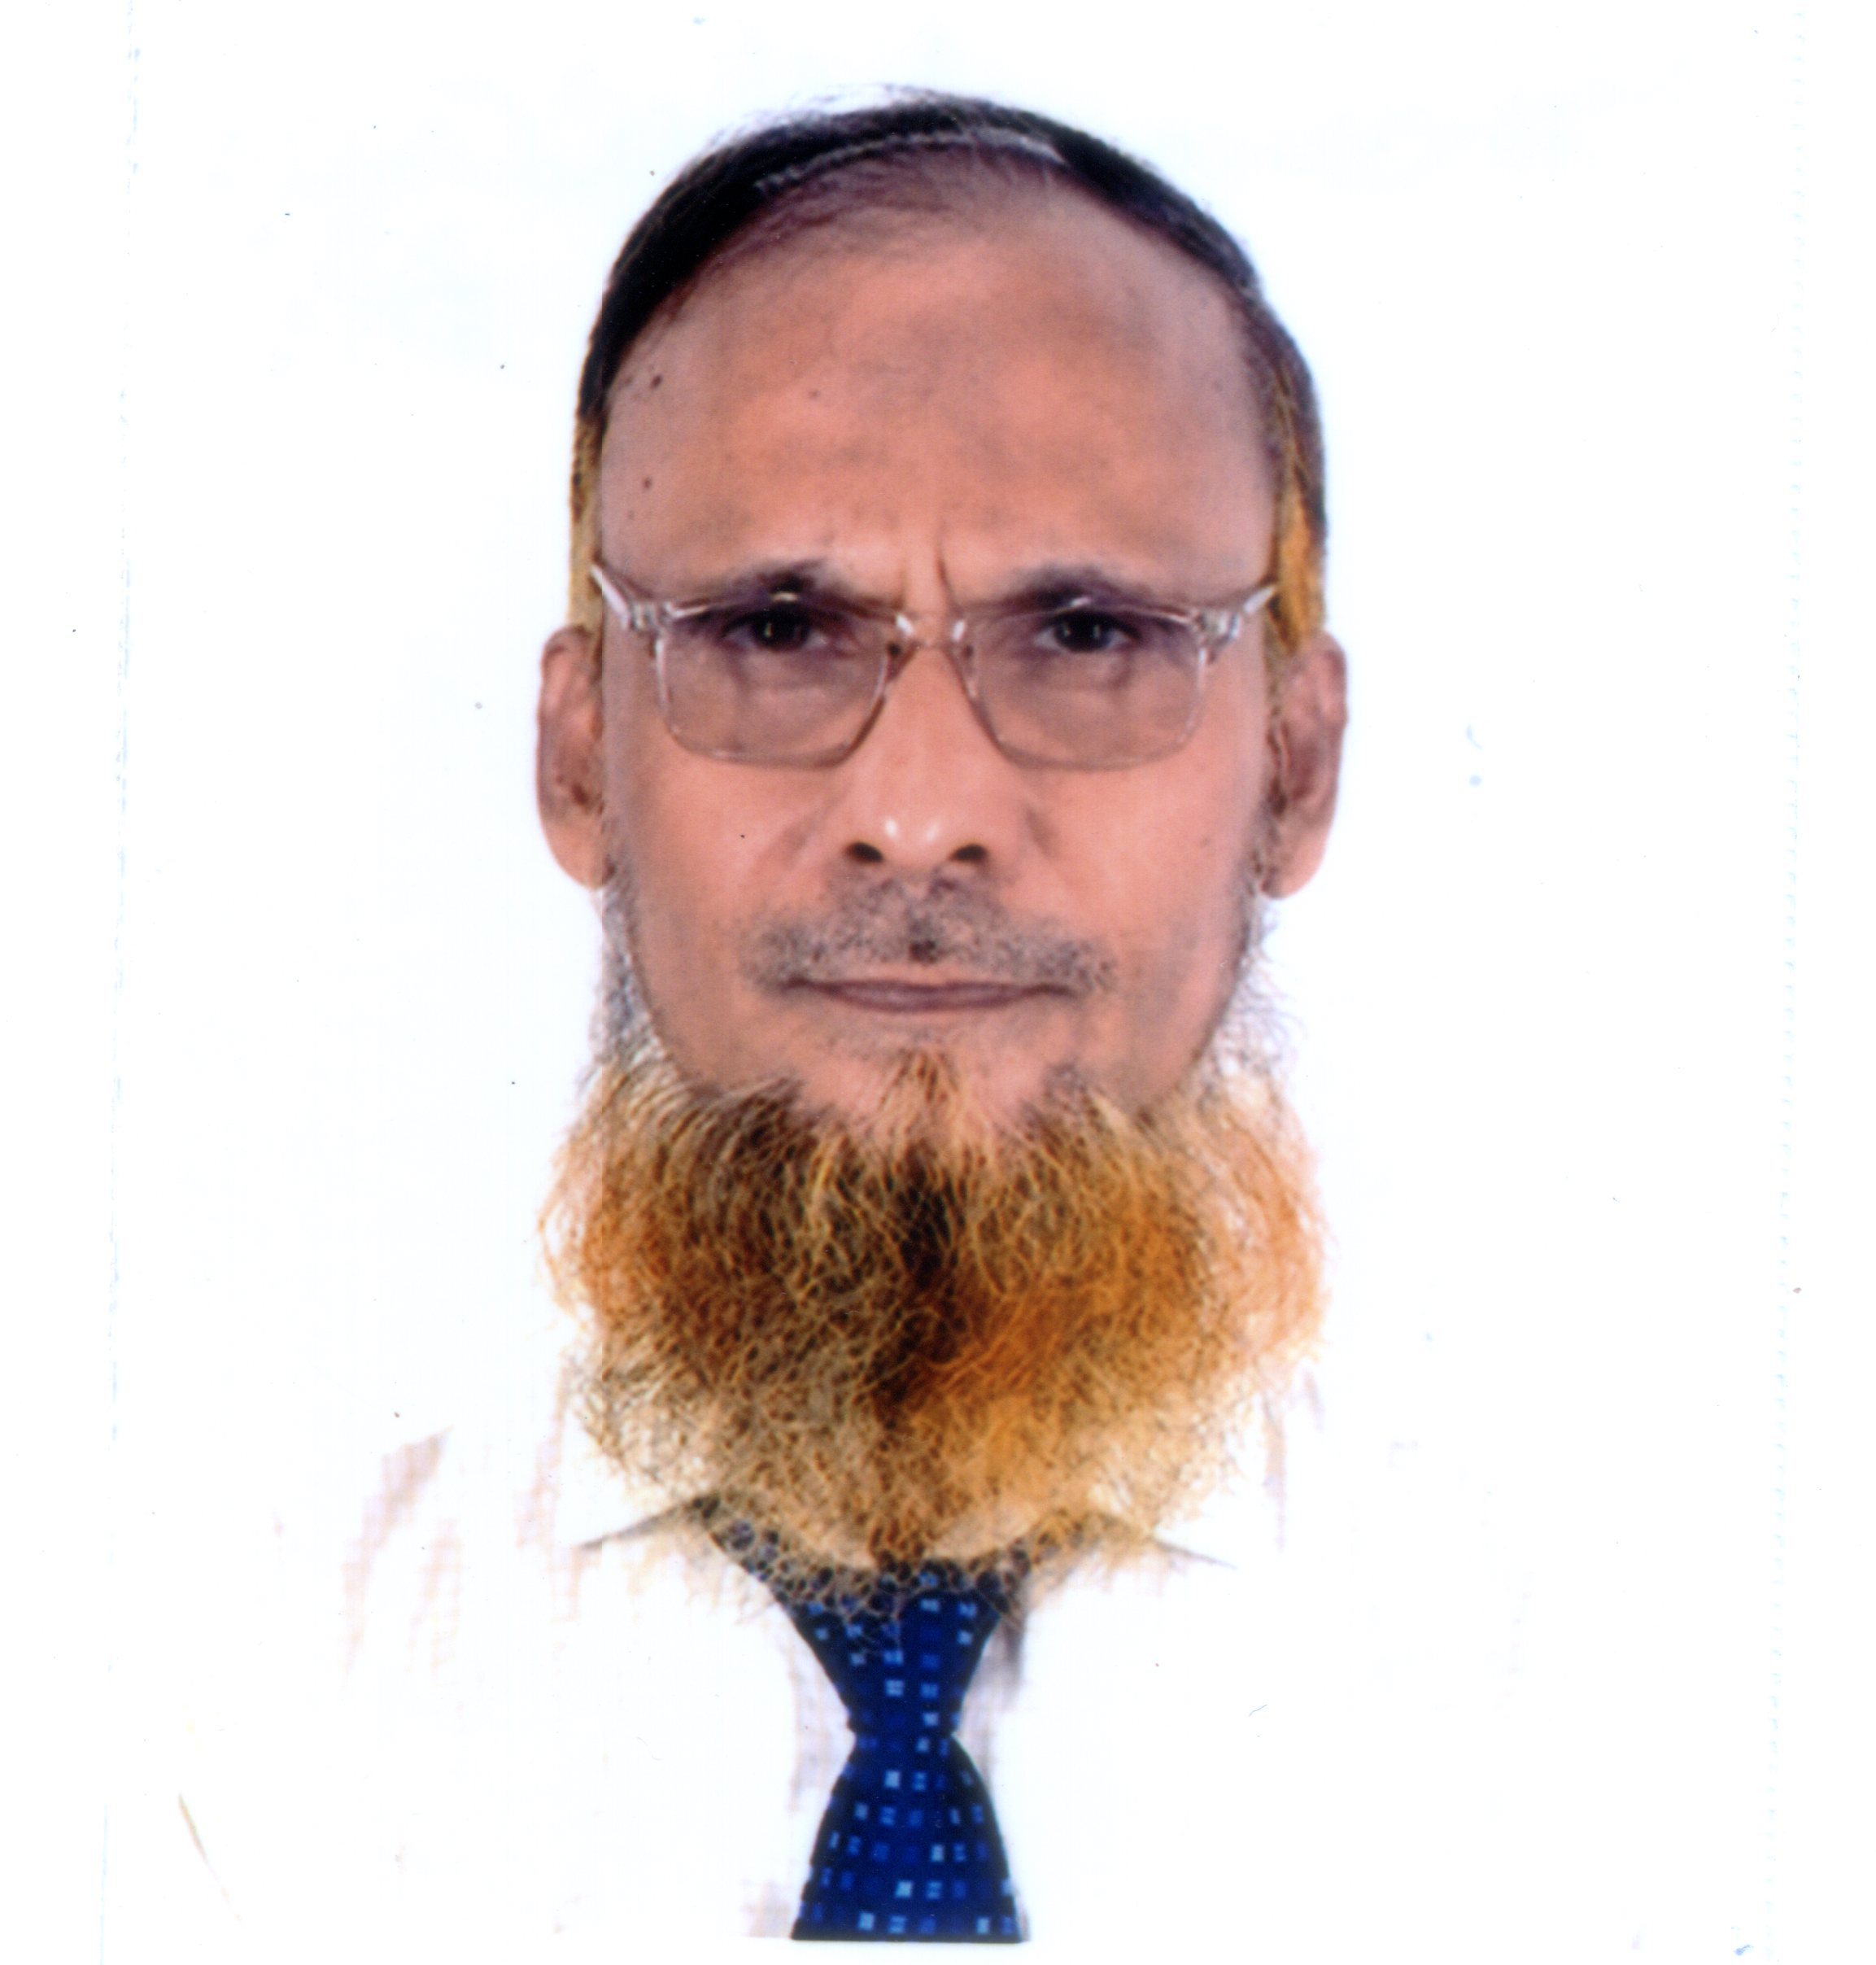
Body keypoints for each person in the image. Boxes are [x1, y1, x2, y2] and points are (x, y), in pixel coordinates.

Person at [168, 93, 1346, 1953]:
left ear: (1294, 765)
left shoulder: (1607, 1688)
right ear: (580, 759)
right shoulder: (225, 1696)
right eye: (781, 629)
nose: (920, 808)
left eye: (1087, 633)